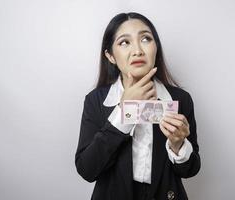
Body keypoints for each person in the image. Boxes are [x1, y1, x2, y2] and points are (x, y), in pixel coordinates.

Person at [75, 12, 201, 200]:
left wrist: (178, 144)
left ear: (155, 47)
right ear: (110, 56)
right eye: (124, 42)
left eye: (145, 39)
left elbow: (190, 170)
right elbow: (87, 169)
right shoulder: (95, 101)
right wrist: (124, 111)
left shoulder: (180, 99)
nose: (137, 51)